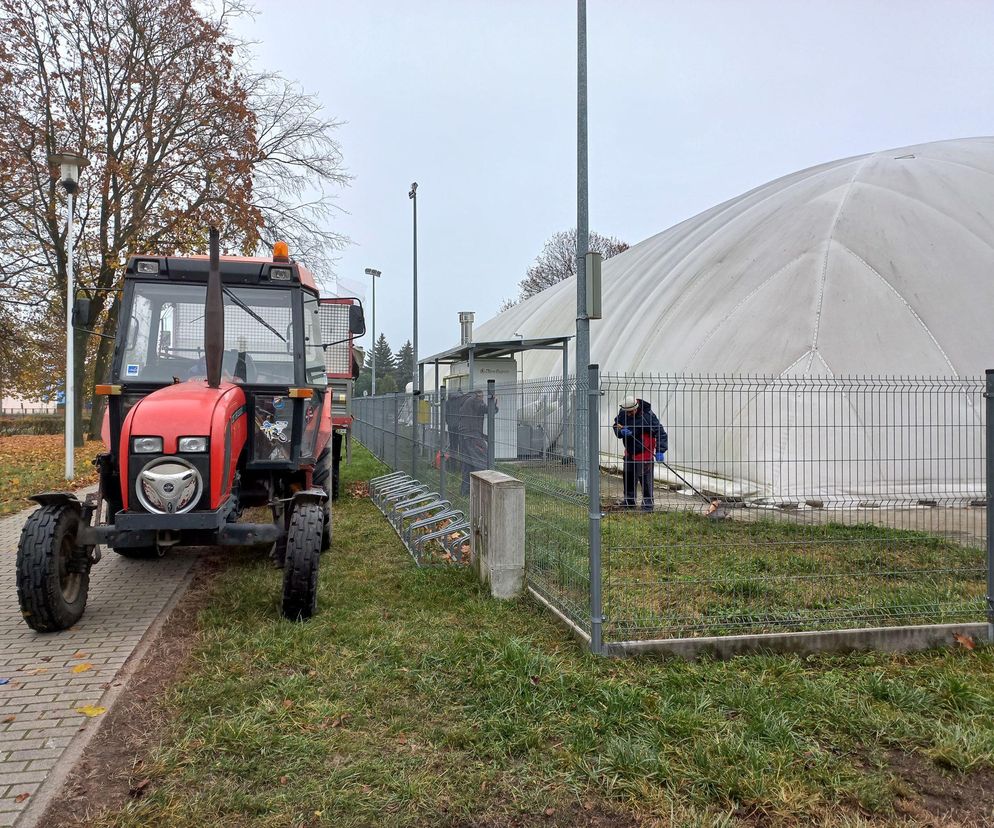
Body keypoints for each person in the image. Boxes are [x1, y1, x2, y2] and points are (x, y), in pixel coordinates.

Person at [612, 394, 667, 511]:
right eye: (626, 412)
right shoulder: (623, 413)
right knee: (628, 478)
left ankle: (647, 505)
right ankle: (629, 501)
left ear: (636, 408)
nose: (628, 414)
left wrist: (660, 451)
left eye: (630, 412)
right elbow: (616, 425)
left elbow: (660, 432)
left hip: (644, 453)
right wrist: (621, 432)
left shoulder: (648, 416)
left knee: (646, 481)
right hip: (630, 452)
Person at [458, 389, 494, 496]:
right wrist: (494, 403)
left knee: (467, 464)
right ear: (478, 395)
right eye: (482, 397)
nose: (482, 399)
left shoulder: (466, 400)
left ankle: (465, 491)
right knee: (481, 462)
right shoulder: (474, 400)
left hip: (465, 435)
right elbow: (485, 409)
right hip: (472, 435)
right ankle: (482, 492)